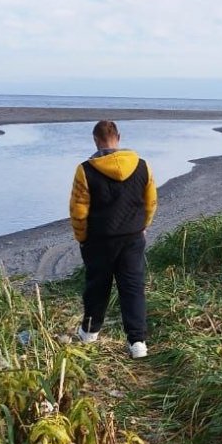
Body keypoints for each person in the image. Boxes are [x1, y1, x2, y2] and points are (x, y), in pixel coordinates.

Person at [69, 120, 157, 358]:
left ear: (95, 140)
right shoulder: (142, 166)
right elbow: (150, 202)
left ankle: (89, 333)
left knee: (97, 286)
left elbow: (78, 210)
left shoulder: (85, 170)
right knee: (133, 288)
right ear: (118, 137)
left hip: (99, 239)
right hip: (132, 237)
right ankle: (137, 342)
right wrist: (143, 226)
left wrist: (82, 237)